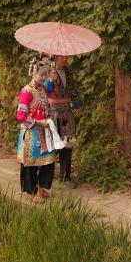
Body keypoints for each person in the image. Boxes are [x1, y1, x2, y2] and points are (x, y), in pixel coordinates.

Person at [17, 59, 56, 203]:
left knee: (48, 161)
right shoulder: (26, 92)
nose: (44, 78)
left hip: (45, 132)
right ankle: (32, 191)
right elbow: (21, 116)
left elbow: (51, 88)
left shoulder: (42, 89)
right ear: (33, 73)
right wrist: (39, 123)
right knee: (31, 163)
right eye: (41, 75)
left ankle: (41, 185)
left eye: (45, 75)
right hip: (33, 133)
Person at [47, 55, 83, 185]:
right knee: (51, 143)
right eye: (62, 56)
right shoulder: (47, 70)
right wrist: (49, 81)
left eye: (66, 56)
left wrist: (77, 103)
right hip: (52, 111)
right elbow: (41, 88)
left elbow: (72, 89)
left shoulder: (68, 71)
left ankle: (65, 176)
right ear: (56, 56)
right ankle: (47, 174)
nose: (65, 59)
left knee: (67, 143)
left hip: (66, 111)